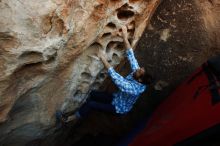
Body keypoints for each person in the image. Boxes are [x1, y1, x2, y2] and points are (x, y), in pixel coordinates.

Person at [57, 26, 153, 124]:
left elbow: (117, 79)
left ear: (140, 80)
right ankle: (79, 111)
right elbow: (131, 56)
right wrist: (124, 37)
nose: (137, 69)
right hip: (116, 97)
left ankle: (68, 120)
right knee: (92, 94)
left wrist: (103, 59)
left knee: (92, 104)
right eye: (140, 69)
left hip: (118, 108)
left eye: (139, 71)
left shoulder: (134, 90)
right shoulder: (138, 75)